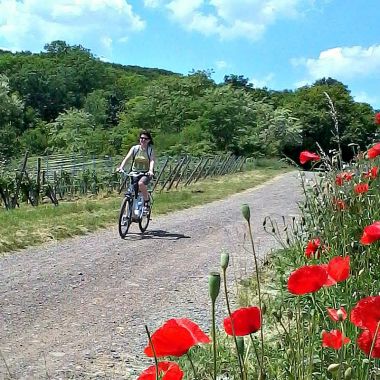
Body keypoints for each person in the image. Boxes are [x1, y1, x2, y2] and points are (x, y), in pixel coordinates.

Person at [117, 130, 156, 212]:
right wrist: (121, 167)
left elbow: (152, 160)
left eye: (145, 138)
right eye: (141, 138)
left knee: (141, 184)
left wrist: (151, 170)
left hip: (146, 173)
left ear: (148, 140)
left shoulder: (150, 150)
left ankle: (146, 202)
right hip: (134, 172)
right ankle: (132, 212)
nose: (143, 140)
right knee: (133, 191)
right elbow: (127, 158)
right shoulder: (135, 148)